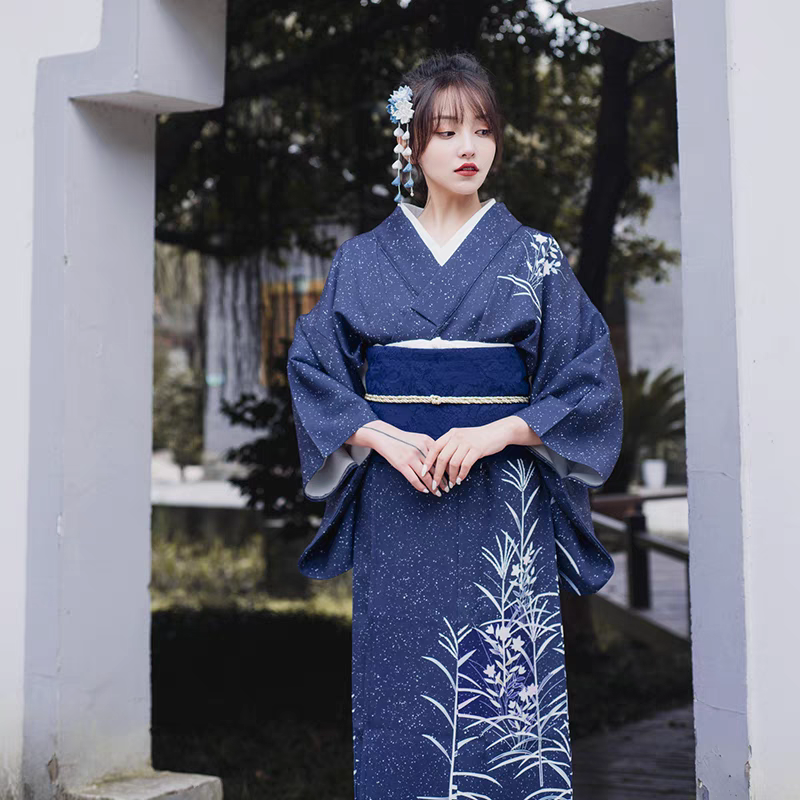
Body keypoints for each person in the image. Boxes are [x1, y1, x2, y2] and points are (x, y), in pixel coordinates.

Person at [287, 51, 623, 800]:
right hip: (397, 500)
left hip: (502, 501)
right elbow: (314, 368)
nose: (468, 147)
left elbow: (588, 378)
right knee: (403, 686)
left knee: (507, 690)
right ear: (410, 146)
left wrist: (498, 432)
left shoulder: (534, 256)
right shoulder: (362, 259)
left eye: (481, 128)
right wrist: (378, 435)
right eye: (446, 131)